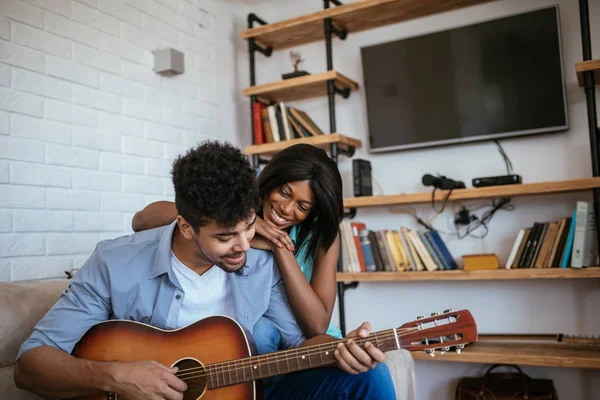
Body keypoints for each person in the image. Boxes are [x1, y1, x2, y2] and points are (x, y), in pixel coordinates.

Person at [14, 141, 396, 400]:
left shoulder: (262, 260)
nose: (245, 246)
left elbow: (297, 344)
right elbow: (29, 366)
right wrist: (116, 376)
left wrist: (343, 348)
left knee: (369, 377)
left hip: (240, 388)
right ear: (185, 226)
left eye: (250, 228)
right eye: (227, 236)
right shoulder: (114, 262)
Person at [132, 144, 344, 355]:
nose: (286, 209)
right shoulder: (238, 208)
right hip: (253, 335)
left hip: (306, 342)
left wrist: (279, 247)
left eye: (302, 207)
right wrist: (252, 223)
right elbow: (141, 221)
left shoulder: (322, 235)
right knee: (257, 332)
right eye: (284, 192)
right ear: (272, 180)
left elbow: (317, 327)